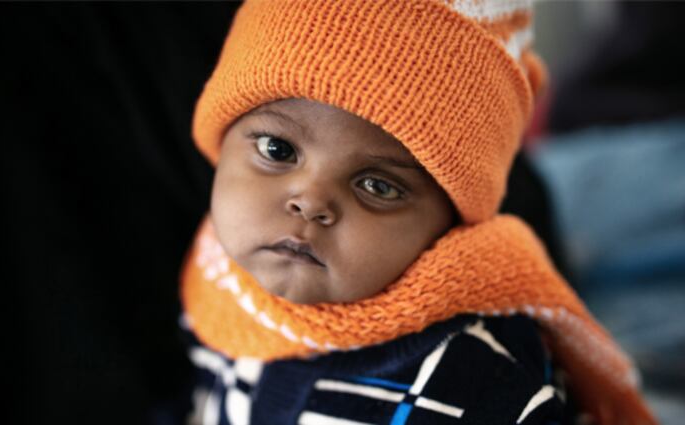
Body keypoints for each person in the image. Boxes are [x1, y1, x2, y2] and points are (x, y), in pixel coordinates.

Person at [178, 0, 656, 424]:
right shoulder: (220, 275)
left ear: (449, 228)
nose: (310, 201)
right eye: (277, 149)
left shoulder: (478, 384)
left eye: (377, 186)